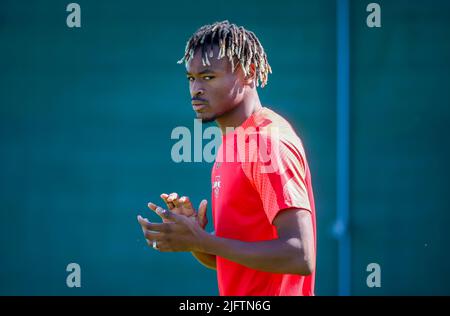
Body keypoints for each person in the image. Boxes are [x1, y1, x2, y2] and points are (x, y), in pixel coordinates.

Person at [137, 20, 317, 296]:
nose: (195, 89)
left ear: (249, 73)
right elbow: (232, 261)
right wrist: (196, 239)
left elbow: (299, 255)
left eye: (208, 77)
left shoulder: (266, 141)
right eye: (190, 78)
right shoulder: (231, 144)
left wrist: (205, 241)